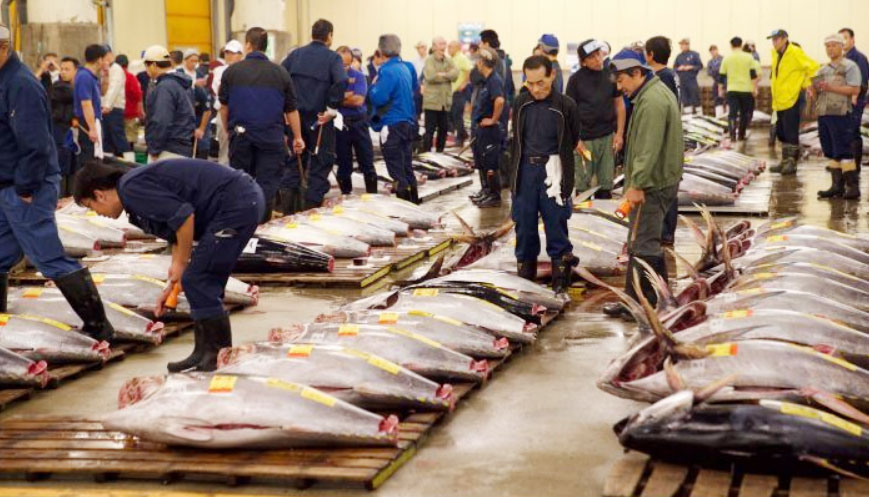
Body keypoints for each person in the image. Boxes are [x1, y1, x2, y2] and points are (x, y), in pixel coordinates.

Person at [73, 157, 263, 372]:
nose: (96, 213)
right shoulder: (132, 190)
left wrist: (182, 264)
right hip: (238, 202)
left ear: (99, 194)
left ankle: (215, 354)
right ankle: (204, 352)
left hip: (236, 204)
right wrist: (175, 270)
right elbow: (174, 227)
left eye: (91, 206)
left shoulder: (131, 189)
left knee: (198, 279)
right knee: (201, 280)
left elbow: (184, 217)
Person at [0, 25, 115, 342]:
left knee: (47, 256)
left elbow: (36, 145)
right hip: (7, 186)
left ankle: (99, 326)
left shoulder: (20, 85)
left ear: (3, 48)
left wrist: (25, 188)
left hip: (26, 186)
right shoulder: (4, 81)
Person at [602, 58, 683, 319]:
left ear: (637, 73)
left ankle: (643, 304)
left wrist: (637, 184)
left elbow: (648, 149)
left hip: (652, 183)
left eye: (622, 80)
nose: (620, 87)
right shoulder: (652, 94)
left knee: (642, 243)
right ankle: (650, 299)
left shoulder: (652, 102)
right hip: (658, 179)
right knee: (640, 241)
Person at [509, 55, 581, 294]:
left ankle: (560, 281)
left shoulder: (566, 106)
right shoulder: (520, 103)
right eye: (530, 83)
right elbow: (516, 141)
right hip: (525, 173)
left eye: (541, 82)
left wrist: (564, 177)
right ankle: (525, 281)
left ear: (552, 75)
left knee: (556, 225)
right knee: (525, 226)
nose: (536, 89)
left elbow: (572, 140)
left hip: (554, 171)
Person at [221, 27, 303, 220]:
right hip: (271, 138)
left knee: (241, 183)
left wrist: (228, 132)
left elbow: (224, 108)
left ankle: (244, 226)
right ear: (265, 47)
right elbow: (291, 110)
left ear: (248, 45)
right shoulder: (280, 73)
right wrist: (297, 138)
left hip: (241, 137)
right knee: (267, 185)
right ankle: (262, 224)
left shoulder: (232, 72)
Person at [281, 19, 348, 211]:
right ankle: (310, 213)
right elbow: (341, 81)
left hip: (295, 120)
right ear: (329, 36)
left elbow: (280, 77)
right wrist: (332, 109)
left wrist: (285, 108)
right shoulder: (332, 58)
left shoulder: (295, 55)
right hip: (320, 120)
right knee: (320, 165)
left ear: (312, 34)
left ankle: (287, 212)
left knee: (294, 161)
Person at [566, 39, 625, 199]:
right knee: (582, 187)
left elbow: (619, 105)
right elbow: (568, 112)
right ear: (583, 62)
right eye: (592, 57)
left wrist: (619, 133)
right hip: (584, 140)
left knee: (605, 187)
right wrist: (575, 139)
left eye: (599, 54)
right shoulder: (575, 80)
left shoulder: (611, 76)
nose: (598, 59)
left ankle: (602, 221)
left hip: (606, 138)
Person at [369, 34, 418, 202]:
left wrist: (373, 87)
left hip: (392, 125)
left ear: (381, 50)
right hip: (407, 123)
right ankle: (414, 203)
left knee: (396, 170)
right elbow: (414, 89)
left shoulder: (387, 70)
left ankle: (404, 207)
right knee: (407, 166)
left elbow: (379, 97)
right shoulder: (406, 67)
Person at [814, 34, 862, 199]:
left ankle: (853, 187)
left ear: (841, 47)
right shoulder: (823, 69)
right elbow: (817, 90)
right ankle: (836, 186)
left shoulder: (850, 66)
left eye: (834, 45)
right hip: (824, 114)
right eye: (827, 46)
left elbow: (855, 89)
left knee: (843, 150)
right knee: (830, 150)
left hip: (841, 114)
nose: (830, 49)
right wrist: (811, 90)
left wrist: (830, 88)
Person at [768, 29, 819, 175]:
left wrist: (804, 84)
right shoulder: (775, 54)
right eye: (773, 39)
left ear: (785, 39)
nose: (774, 42)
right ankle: (785, 160)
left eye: (777, 39)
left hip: (792, 99)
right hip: (779, 101)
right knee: (781, 132)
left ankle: (792, 162)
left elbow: (813, 67)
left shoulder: (795, 52)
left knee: (791, 132)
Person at [142, 45, 196, 162]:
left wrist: (154, 150)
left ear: (154, 65)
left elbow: (161, 120)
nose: (146, 70)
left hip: (168, 150)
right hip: (182, 148)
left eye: (146, 65)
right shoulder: (181, 83)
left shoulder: (165, 87)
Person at [334, 45, 376, 194]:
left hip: (359, 123)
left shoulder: (359, 77)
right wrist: (346, 96)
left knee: (367, 163)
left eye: (347, 64)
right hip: (340, 125)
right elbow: (327, 99)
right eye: (341, 64)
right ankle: (346, 198)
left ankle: (373, 197)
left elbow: (358, 100)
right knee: (344, 166)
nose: (344, 68)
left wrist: (338, 98)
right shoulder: (331, 78)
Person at [470, 47, 506, 208]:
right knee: (483, 162)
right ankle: (487, 191)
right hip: (482, 130)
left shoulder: (494, 80)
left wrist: (493, 120)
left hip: (490, 131)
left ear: (482, 63)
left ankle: (494, 195)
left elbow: (500, 101)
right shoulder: (486, 80)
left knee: (491, 163)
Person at [719, 37, 760, 142]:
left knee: (732, 113)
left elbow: (721, 77)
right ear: (741, 45)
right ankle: (741, 135)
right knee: (744, 114)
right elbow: (753, 76)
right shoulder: (749, 57)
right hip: (746, 90)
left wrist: (720, 90)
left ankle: (732, 136)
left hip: (732, 89)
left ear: (731, 46)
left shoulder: (726, 58)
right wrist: (754, 89)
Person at [422, 37, 458, 154]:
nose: (444, 46)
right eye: (441, 44)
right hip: (431, 103)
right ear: (434, 47)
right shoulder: (429, 61)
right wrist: (447, 75)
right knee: (430, 130)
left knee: (443, 129)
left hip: (444, 102)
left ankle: (440, 152)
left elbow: (455, 74)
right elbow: (431, 76)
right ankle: (427, 154)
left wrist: (442, 74)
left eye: (444, 44)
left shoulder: (448, 60)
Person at [839, 28, 868, 173]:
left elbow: (862, 82)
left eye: (845, 38)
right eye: (840, 38)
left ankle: (855, 167)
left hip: (854, 102)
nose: (842, 41)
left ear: (852, 40)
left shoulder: (859, 58)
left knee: (853, 132)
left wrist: (854, 96)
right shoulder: (841, 59)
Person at [74, 44, 109, 161]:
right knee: (89, 159)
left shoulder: (92, 76)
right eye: (104, 59)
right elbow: (86, 104)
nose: (105, 62)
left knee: (96, 157)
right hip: (87, 122)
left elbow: (102, 93)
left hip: (93, 121)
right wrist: (92, 128)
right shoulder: (84, 76)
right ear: (99, 60)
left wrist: (106, 75)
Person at [50, 57, 79, 197]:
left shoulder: (75, 86)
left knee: (71, 165)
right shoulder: (59, 87)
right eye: (61, 69)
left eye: (67, 69)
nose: (63, 72)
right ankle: (60, 197)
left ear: (76, 71)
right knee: (62, 165)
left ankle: (69, 197)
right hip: (59, 130)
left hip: (70, 131)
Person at [211, 40, 244, 165]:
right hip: (223, 112)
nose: (229, 56)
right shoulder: (219, 70)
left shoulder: (245, 70)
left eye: (233, 53)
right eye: (227, 53)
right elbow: (219, 91)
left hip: (240, 113)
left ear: (241, 55)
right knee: (224, 147)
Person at [178, 52, 213, 160]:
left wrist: (201, 129)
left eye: (196, 61)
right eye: (191, 61)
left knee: (203, 144)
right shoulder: (179, 73)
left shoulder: (200, 74)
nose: (194, 64)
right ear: (185, 60)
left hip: (200, 113)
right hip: (184, 117)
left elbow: (207, 108)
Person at [101, 46, 131, 158]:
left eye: (104, 56)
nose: (103, 59)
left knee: (118, 137)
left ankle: (129, 163)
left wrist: (107, 105)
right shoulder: (105, 70)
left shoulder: (116, 68)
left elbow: (114, 87)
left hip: (115, 108)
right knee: (107, 139)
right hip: (105, 108)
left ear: (110, 54)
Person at [448, 40, 472, 148]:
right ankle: (463, 133)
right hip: (451, 91)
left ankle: (460, 137)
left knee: (457, 115)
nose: (448, 49)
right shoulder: (451, 59)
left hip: (459, 92)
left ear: (457, 47)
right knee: (453, 115)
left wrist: (464, 84)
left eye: (451, 47)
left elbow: (469, 71)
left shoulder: (462, 58)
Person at [117, 54, 143, 151]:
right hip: (130, 115)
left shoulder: (112, 77)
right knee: (130, 140)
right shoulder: (131, 77)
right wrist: (140, 111)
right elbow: (138, 95)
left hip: (115, 115)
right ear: (127, 65)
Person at [674, 38, 703, 114]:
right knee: (685, 100)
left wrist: (691, 67)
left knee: (695, 99)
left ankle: (700, 116)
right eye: (681, 45)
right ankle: (689, 119)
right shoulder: (679, 56)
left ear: (687, 45)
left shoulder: (694, 54)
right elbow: (674, 68)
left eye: (683, 44)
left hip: (692, 80)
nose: (681, 46)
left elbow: (700, 66)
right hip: (682, 81)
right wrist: (679, 68)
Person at [707, 45, 725, 117]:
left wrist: (716, 71)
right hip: (716, 81)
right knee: (717, 99)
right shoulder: (710, 62)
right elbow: (709, 72)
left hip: (724, 81)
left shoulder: (723, 59)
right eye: (711, 51)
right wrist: (717, 71)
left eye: (714, 50)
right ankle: (719, 116)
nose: (713, 52)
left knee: (726, 99)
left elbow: (724, 70)